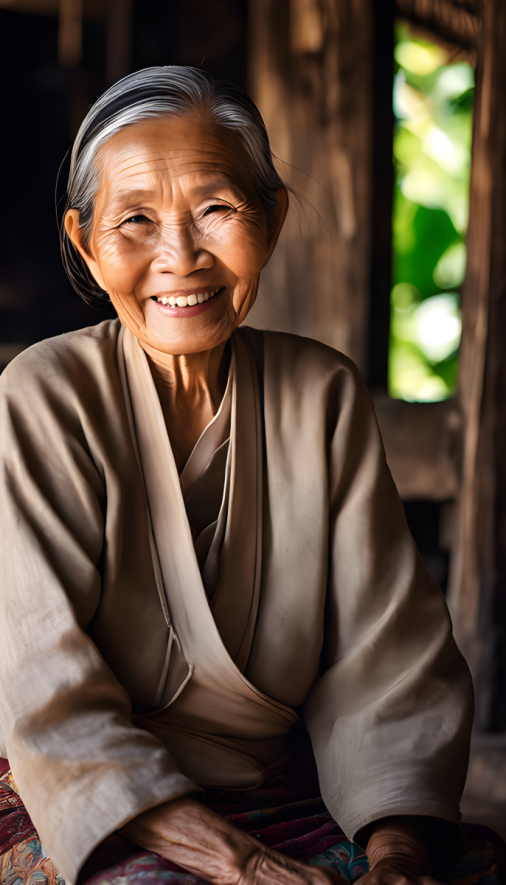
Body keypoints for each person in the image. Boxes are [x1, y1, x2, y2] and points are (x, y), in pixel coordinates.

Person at [0, 67, 477, 885]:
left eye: (216, 209)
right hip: (82, 799)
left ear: (274, 216)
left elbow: (385, 660)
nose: (180, 257)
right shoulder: (43, 396)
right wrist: (243, 867)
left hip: (285, 791)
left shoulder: (321, 394)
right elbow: (42, 686)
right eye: (136, 221)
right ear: (86, 241)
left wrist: (395, 852)